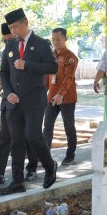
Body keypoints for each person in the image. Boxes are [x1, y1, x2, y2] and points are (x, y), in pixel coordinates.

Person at [0, 8, 58, 195]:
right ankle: (17, 181)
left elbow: (52, 66)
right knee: (16, 141)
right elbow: (4, 73)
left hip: (34, 100)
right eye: (11, 28)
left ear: (25, 23)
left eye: (16, 27)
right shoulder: (10, 46)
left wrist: (27, 65)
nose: (13, 31)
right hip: (14, 102)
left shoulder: (41, 43)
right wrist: (7, 93)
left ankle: (50, 166)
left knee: (32, 135)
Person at [0, 24, 39, 184]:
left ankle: (32, 169)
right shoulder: (7, 51)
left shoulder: (30, 50)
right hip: (9, 102)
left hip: (28, 103)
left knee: (30, 136)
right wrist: (2, 91)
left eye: (9, 39)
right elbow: (6, 74)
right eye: (4, 40)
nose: (7, 42)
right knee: (4, 136)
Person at [31, 28, 79, 167]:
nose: (56, 42)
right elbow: (46, 77)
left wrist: (60, 94)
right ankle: (45, 156)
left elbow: (68, 78)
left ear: (65, 39)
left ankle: (70, 156)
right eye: (53, 39)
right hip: (51, 96)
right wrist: (41, 93)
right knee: (47, 127)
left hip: (66, 98)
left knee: (69, 127)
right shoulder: (50, 56)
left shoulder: (71, 57)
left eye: (58, 39)